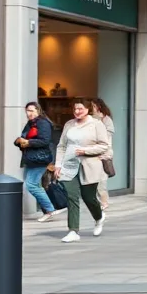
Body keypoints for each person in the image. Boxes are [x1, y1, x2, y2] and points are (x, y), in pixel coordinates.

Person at [54, 99, 110, 244]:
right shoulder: (69, 124)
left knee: (88, 196)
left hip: (89, 165)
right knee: (72, 196)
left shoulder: (97, 125)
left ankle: (99, 217)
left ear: (87, 109)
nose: (77, 112)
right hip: (69, 164)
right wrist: (58, 164)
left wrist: (85, 150)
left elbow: (104, 146)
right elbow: (61, 146)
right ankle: (73, 231)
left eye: (80, 109)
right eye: (75, 109)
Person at [16, 101, 57, 222]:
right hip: (31, 158)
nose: (29, 113)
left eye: (32, 111)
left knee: (31, 185)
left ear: (38, 110)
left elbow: (45, 141)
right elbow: (23, 137)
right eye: (27, 111)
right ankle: (48, 209)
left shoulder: (43, 123)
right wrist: (19, 142)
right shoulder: (30, 124)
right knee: (34, 185)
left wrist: (28, 142)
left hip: (40, 158)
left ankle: (49, 210)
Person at [90, 98, 115, 212]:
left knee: (101, 180)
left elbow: (108, 135)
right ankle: (97, 201)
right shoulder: (90, 119)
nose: (92, 108)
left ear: (99, 106)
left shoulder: (106, 119)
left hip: (103, 153)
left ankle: (104, 202)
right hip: (92, 152)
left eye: (93, 106)